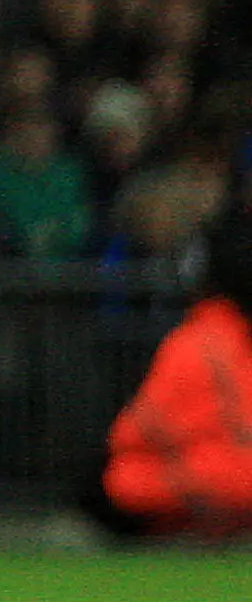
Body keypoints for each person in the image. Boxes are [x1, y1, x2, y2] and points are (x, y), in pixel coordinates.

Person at [87, 208, 252, 542]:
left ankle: (192, 532)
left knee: (114, 479)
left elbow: (136, 430)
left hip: (220, 478)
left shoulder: (200, 337)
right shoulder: (230, 334)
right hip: (230, 471)